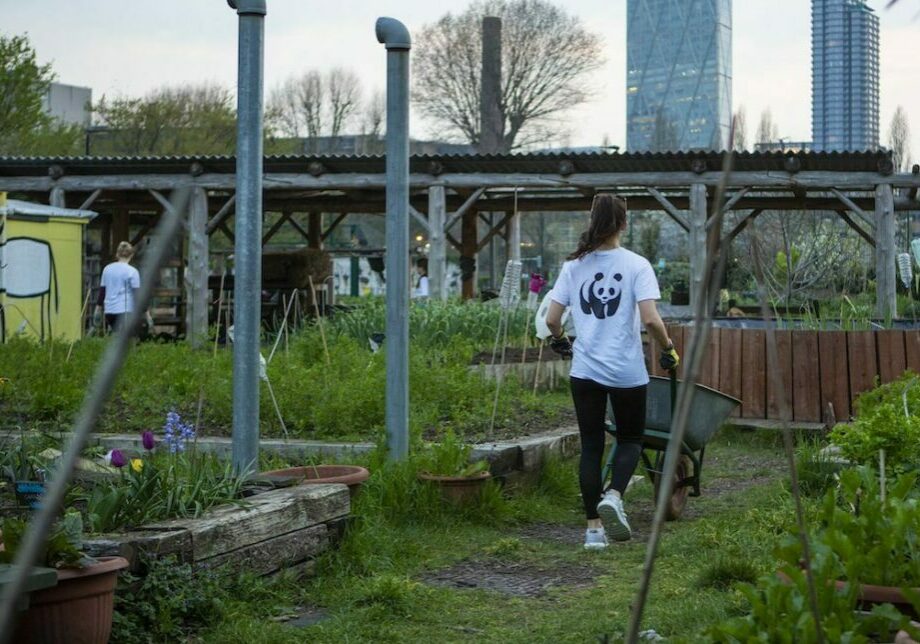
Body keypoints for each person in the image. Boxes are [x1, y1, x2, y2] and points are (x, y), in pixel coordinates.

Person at [545, 194, 679, 550]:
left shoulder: (573, 266)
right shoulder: (637, 265)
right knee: (631, 439)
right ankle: (614, 495)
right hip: (626, 371)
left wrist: (562, 343)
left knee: (591, 447)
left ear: (592, 221)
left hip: (585, 371)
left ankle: (592, 532)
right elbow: (650, 319)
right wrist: (668, 349)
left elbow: (552, 320)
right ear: (624, 223)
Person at [94, 241, 153, 334]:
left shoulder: (107, 269)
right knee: (127, 338)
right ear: (131, 255)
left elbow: (102, 292)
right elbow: (137, 295)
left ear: (117, 254)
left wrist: (97, 310)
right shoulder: (132, 272)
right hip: (126, 310)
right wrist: (147, 313)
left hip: (109, 311)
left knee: (116, 335)